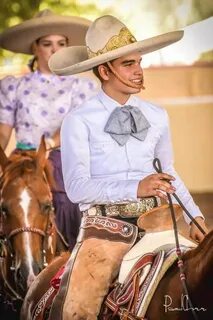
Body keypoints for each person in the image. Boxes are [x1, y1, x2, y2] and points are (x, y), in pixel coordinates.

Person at [48, 15, 208, 319]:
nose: (138, 71)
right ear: (104, 70)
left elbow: (169, 171)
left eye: (139, 62)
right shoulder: (78, 120)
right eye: (128, 64)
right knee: (78, 308)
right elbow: (77, 186)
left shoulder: (157, 115)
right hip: (104, 231)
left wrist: (195, 215)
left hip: (160, 221)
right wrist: (134, 187)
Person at [0, 9, 97, 251]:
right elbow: (3, 133)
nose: (55, 49)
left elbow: (73, 124)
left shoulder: (81, 86)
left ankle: (68, 257)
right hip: (22, 159)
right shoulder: (14, 86)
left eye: (61, 43)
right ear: (35, 48)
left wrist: (50, 146)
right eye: (47, 44)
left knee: (64, 198)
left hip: (62, 159)